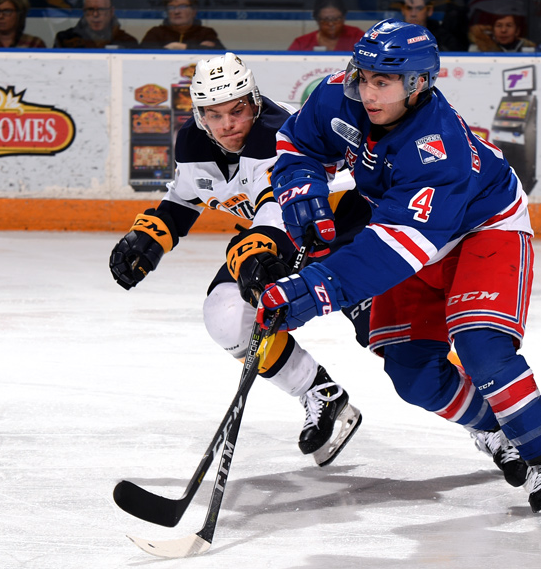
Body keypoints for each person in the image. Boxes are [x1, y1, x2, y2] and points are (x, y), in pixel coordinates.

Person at [261, 19, 541, 526]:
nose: (368, 92)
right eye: (363, 77)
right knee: (413, 376)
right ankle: (497, 430)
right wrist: (301, 189)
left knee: (482, 349)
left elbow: (393, 251)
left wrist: (315, 289)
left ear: (418, 84)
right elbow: (298, 143)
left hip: (483, 229)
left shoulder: (438, 147)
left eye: (384, 82)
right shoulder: (337, 96)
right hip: (407, 230)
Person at [109, 53, 365, 467]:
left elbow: (276, 206)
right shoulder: (193, 141)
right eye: (214, 114)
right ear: (200, 115)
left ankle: (480, 412)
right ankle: (320, 392)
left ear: (254, 102)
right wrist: (152, 235)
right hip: (281, 237)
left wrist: (254, 251)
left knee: (394, 341)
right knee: (227, 316)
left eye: (237, 110)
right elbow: (185, 197)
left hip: (348, 229)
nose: (227, 124)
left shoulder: (277, 132)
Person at [140, 0, 225, 50]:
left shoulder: (205, 33)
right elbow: (142, 55)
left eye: (182, 6)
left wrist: (182, 47)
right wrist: (199, 47)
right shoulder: (156, 33)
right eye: (171, 7)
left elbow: (221, 56)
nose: (176, 11)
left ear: (194, 11)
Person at [53, 0, 138, 49]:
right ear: (84, 11)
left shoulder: (128, 42)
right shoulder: (64, 40)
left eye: (101, 9)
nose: (95, 14)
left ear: (111, 12)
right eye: (90, 9)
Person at [287, 0, 364, 52]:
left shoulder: (357, 37)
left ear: (344, 17)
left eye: (336, 19)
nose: (331, 24)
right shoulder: (302, 43)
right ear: (317, 19)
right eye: (325, 19)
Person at [468, 12, 535, 53]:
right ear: (493, 30)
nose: (503, 30)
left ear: (517, 31)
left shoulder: (529, 48)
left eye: (509, 25)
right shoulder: (478, 49)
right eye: (499, 25)